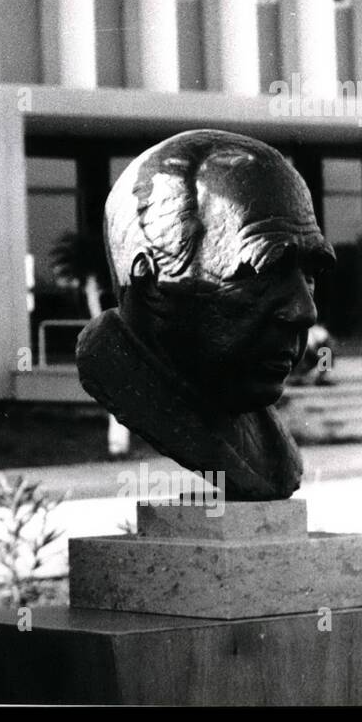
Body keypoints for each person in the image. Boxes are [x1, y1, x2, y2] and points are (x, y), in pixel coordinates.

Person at [76, 130, 336, 500]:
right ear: (148, 280)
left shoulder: (266, 439)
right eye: (263, 273)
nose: (305, 311)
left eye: (309, 275)